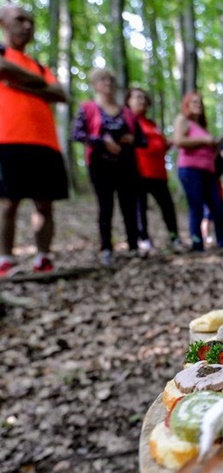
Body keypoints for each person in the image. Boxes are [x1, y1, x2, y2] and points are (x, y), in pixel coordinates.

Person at [0, 4, 68, 276]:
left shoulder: (40, 65)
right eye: (19, 19)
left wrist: (20, 79)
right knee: (7, 201)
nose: (27, 25)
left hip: (45, 143)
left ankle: (44, 257)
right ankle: (5, 259)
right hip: (8, 138)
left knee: (45, 203)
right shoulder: (3, 53)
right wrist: (40, 86)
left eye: (30, 21)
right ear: (3, 22)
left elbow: (61, 93)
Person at [73, 68, 143, 266]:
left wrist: (132, 139)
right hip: (100, 165)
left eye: (111, 80)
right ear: (94, 84)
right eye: (103, 80)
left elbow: (142, 139)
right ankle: (106, 248)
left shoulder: (127, 113)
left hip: (126, 165)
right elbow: (77, 134)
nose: (108, 84)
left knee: (129, 206)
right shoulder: (87, 108)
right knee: (106, 206)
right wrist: (101, 141)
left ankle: (133, 246)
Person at [125, 87, 182, 254]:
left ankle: (174, 237)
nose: (141, 101)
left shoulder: (152, 124)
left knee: (167, 207)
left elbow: (159, 146)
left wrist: (167, 144)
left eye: (143, 98)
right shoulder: (128, 121)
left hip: (159, 173)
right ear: (128, 101)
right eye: (137, 98)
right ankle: (143, 239)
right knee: (140, 208)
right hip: (138, 172)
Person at [172, 91, 223, 252]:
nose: (198, 105)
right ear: (187, 105)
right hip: (190, 169)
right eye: (194, 102)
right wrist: (204, 140)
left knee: (217, 206)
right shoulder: (182, 120)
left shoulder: (203, 127)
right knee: (197, 207)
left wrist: (214, 145)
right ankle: (197, 243)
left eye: (200, 102)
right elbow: (178, 141)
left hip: (208, 171)